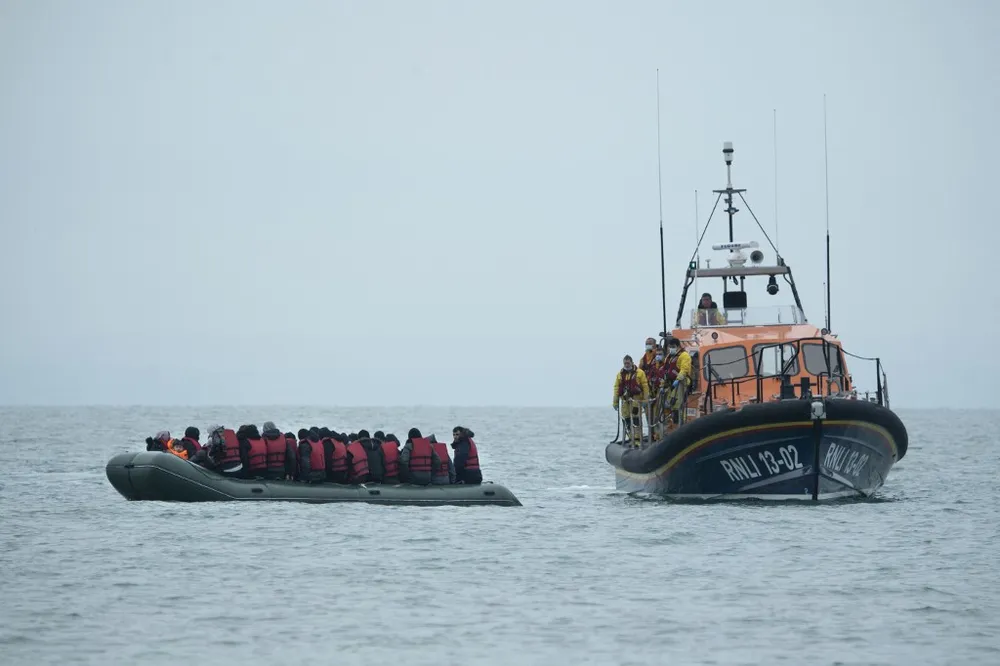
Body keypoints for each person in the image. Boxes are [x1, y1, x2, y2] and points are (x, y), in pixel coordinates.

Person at [613, 355, 650, 443]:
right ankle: (630, 436)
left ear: (632, 362)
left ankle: (637, 437)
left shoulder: (640, 373)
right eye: (625, 363)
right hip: (625, 400)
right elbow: (616, 388)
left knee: (636, 418)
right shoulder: (620, 374)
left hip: (636, 400)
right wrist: (615, 401)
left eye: (628, 363)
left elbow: (645, 386)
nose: (626, 365)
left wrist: (645, 399)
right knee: (626, 418)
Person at [663, 337, 694, 424]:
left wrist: (678, 380)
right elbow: (665, 370)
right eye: (669, 346)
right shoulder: (669, 357)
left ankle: (681, 423)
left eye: (672, 346)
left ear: (677, 346)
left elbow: (684, 370)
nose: (670, 348)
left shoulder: (684, 355)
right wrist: (663, 384)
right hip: (671, 384)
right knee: (671, 404)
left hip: (681, 383)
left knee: (678, 404)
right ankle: (675, 423)